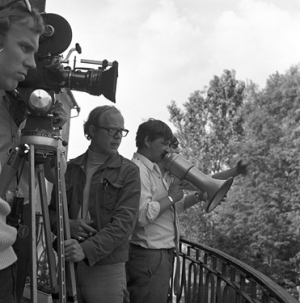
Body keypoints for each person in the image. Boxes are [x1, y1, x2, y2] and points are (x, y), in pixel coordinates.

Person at [126, 120, 248, 303]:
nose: (168, 151)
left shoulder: (156, 171)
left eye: (170, 145)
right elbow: (142, 215)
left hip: (160, 255)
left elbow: (174, 208)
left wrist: (198, 197)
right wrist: (170, 198)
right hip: (149, 256)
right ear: (147, 141)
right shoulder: (138, 170)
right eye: (164, 144)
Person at [0, 1, 67, 302]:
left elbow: (56, 174)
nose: (30, 63)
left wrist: (50, 130)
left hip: (10, 241)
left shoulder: (13, 107)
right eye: (25, 48)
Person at [49, 105, 141, 303]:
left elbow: (124, 224)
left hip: (106, 267)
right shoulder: (69, 168)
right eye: (111, 130)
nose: (117, 136)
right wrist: (67, 226)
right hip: (68, 263)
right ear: (92, 130)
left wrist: (86, 249)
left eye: (121, 131)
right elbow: (51, 213)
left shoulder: (129, 172)